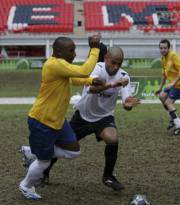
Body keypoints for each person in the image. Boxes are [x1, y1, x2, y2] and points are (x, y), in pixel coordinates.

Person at [20, 46, 140, 192]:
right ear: (106, 59)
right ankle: (44, 172)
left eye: (119, 64)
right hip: (82, 116)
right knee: (62, 145)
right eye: (113, 62)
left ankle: (108, 176)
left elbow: (127, 101)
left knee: (113, 139)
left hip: (104, 117)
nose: (115, 67)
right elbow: (92, 88)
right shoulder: (97, 68)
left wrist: (128, 104)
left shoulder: (124, 76)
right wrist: (111, 84)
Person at [19, 35, 102, 200]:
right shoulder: (54, 64)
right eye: (71, 51)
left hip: (57, 121)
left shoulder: (61, 66)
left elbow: (75, 78)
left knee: (74, 151)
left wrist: (91, 81)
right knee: (44, 162)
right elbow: (83, 70)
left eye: (74, 50)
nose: (74, 54)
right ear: (58, 51)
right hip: (42, 121)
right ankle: (26, 185)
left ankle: (33, 152)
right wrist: (94, 49)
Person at [155, 39, 180, 135]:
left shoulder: (173, 56)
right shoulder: (163, 59)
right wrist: (160, 87)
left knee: (168, 102)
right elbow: (164, 74)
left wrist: (172, 83)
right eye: (161, 48)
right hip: (174, 84)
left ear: (169, 48)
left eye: (165, 48)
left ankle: (179, 125)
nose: (163, 50)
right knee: (162, 96)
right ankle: (172, 118)